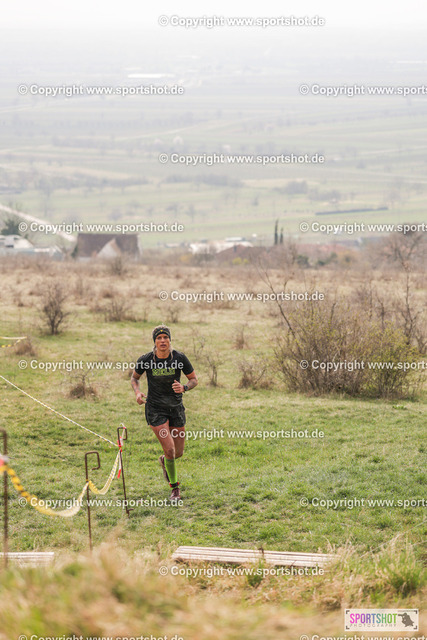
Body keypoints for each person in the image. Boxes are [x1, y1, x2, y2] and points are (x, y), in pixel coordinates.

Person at [131, 325, 198, 500]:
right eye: (159, 338)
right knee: (170, 450)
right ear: (154, 341)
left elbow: (193, 379)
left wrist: (184, 387)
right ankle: (175, 489)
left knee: (178, 453)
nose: (162, 341)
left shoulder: (180, 358)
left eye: (165, 338)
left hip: (176, 408)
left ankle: (164, 461)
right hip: (155, 409)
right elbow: (134, 378)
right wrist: (137, 393)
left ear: (169, 340)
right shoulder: (146, 359)